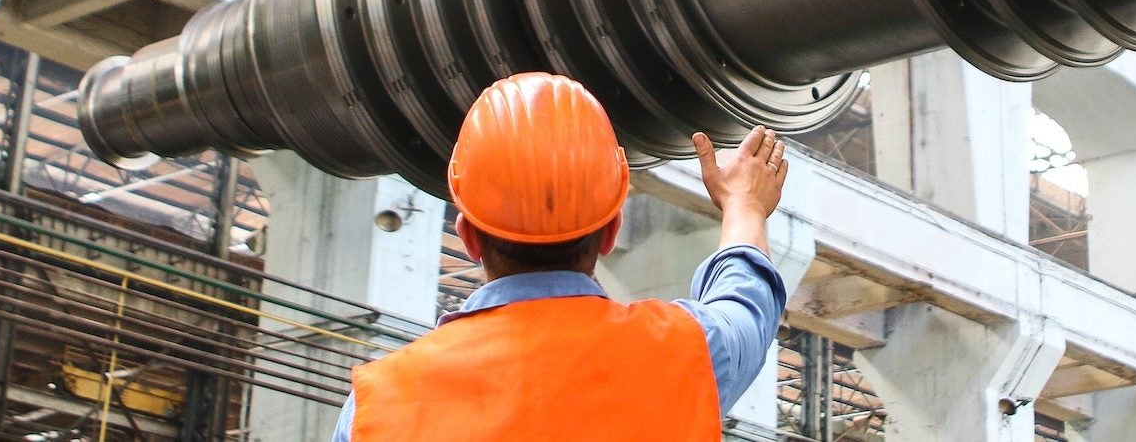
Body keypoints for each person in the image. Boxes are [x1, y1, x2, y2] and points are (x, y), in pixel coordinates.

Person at [333, 72, 792, 441]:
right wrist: (744, 206)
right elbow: (746, 304)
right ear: (611, 231)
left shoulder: (376, 409)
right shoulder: (687, 355)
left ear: (468, 237)